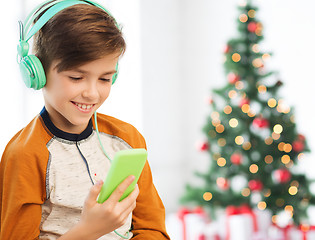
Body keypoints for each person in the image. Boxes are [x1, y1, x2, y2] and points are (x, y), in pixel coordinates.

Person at [0, 0, 170, 239]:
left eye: (104, 79)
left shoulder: (128, 139)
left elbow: (153, 230)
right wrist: (88, 231)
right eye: (77, 77)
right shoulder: (25, 155)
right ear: (36, 73)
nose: (92, 93)